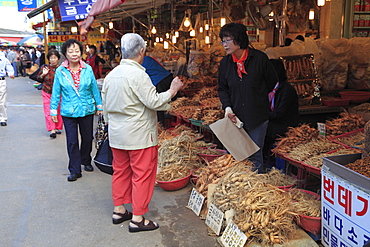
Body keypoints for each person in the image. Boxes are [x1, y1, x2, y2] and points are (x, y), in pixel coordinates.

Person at [101, 33, 183, 232]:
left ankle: (119, 210)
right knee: (142, 174)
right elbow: (153, 101)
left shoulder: (112, 75)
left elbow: (104, 108)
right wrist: (172, 91)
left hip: (117, 135)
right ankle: (138, 218)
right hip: (139, 135)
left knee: (120, 171)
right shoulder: (139, 75)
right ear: (141, 51)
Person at [218, 23, 278, 173]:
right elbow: (222, 88)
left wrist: (256, 96)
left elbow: (272, 81)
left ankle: (255, 191)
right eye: (223, 41)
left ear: (239, 39)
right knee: (235, 155)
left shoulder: (259, 58)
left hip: (257, 116)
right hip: (234, 117)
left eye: (227, 40)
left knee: (255, 155)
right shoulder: (225, 63)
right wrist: (228, 107)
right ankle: (237, 190)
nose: (224, 45)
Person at [50, 39, 103, 182]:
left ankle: (85, 160)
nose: (74, 54)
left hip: (87, 109)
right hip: (69, 111)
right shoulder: (61, 71)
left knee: (87, 138)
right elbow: (56, 92)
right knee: (72, 141)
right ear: (65, 54)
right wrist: (53, 110)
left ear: (81, 52)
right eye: (71, 51)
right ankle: (74, 169)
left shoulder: (88, 69)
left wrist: (99, 106)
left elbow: (94, 88)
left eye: (77, 51)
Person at [262, 59, 299, 171]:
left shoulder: (287, 89)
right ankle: (265, 163)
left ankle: (269, 166)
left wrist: (260, 115)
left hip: (284, 124)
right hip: (272, 121)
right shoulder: (270, 88)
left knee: (264, 132)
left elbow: (279, 113)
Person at [35, 49, 63, 138]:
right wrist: (43, 74)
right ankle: (52, 129)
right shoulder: (45, 68)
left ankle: (58, 127)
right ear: (49, 59)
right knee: (48, 110)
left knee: (58, 110)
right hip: (46, 91)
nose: (53, 60)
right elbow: (38, 79)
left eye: (55, 58)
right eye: (51, 58)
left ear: (58, 59)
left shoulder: (62, 69)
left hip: (59, 93)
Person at [142, 55, 174, 126]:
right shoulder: (148, 58)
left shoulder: (137, 63)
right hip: (168, 77)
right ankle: (169, 122)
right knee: (173, 103)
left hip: (158, 81)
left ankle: (161, 126)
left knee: (158, 105)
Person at [0, 51, 15, 126]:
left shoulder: (3, 59)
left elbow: (9, 68)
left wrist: (11, 74)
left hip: (1, 81)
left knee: (2, 101)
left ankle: (3, 118)